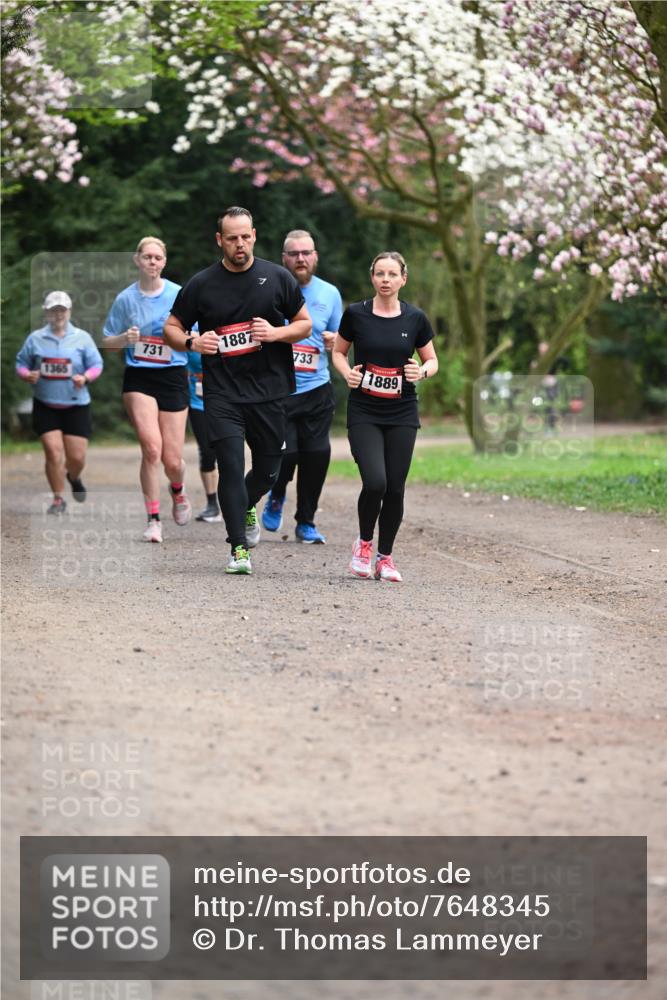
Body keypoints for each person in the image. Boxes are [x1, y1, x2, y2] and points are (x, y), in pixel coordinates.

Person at [163, 206, 311, 575]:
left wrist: (275, 333)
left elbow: (304, 325)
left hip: (270, 390)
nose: (240, 244)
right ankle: (238, 549)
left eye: (245, 236)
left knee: (268, 470)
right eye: (232, 238)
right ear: (220, 240)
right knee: (229, 465)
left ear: (255, 235)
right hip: (222, 392)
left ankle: (248, 503)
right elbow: (172, 327)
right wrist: (192, 342)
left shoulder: (277, 278)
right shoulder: (201, 284)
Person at [332, 251, 438, 582]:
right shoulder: (356, 314)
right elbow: (338, 351)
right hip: (364, 408)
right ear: (372, 278)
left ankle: (385, 557)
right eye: (380, 274)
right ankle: (364, 544)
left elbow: (432, 360)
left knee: (395, 488)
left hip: (402, 410)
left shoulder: (415, 318)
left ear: (403, 279)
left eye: (393, 274)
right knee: (375, 481)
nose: (386, 280)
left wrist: (421, 372)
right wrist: (346, 373)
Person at [103, 237, 192, 543]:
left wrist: (184, 336)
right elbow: (106, 342)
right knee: (151, 449)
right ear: (136, 260)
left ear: (164, 262)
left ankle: (178, 491)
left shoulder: (178, 294)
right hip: (139, 377)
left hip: (173, 375)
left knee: (173, 460)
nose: (152, 262)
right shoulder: (125, 299)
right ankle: (153, 519)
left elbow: (193, 332)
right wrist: (123, 340)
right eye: (147, 257)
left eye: (157, 257)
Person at [261, 229, 343, 544]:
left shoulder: (329, 294)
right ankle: (277, 494)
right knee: (286, 454)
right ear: (284, 258)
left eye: (306, 253)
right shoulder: (269, 289)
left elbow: (341, 341)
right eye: (294, 254)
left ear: (315, 257)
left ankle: (306, 521)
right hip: (279, 390)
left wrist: (334, 342)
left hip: (316, 388)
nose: (300, 259)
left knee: (317, 454)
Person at [15, 291, 103, 514]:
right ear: (46, 313)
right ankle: (57, 499)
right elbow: (21, 363)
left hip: (76, 404)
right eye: (54, 310)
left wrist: (85, 378)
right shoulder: (35, 338)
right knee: (53, 452)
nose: (58, 314)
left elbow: (96, 364)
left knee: (77, 457)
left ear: (69, 311)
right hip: (46, 404)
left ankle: (73, 476)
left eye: (62, 310)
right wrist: (27, 375)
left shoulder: (82, 338)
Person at [187, 349, 222, 522]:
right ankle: (212, 504)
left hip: (226, 402)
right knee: (207, 451)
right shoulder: (186, 331)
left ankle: (237, 502)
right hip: (197, 403)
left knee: (227, 451)